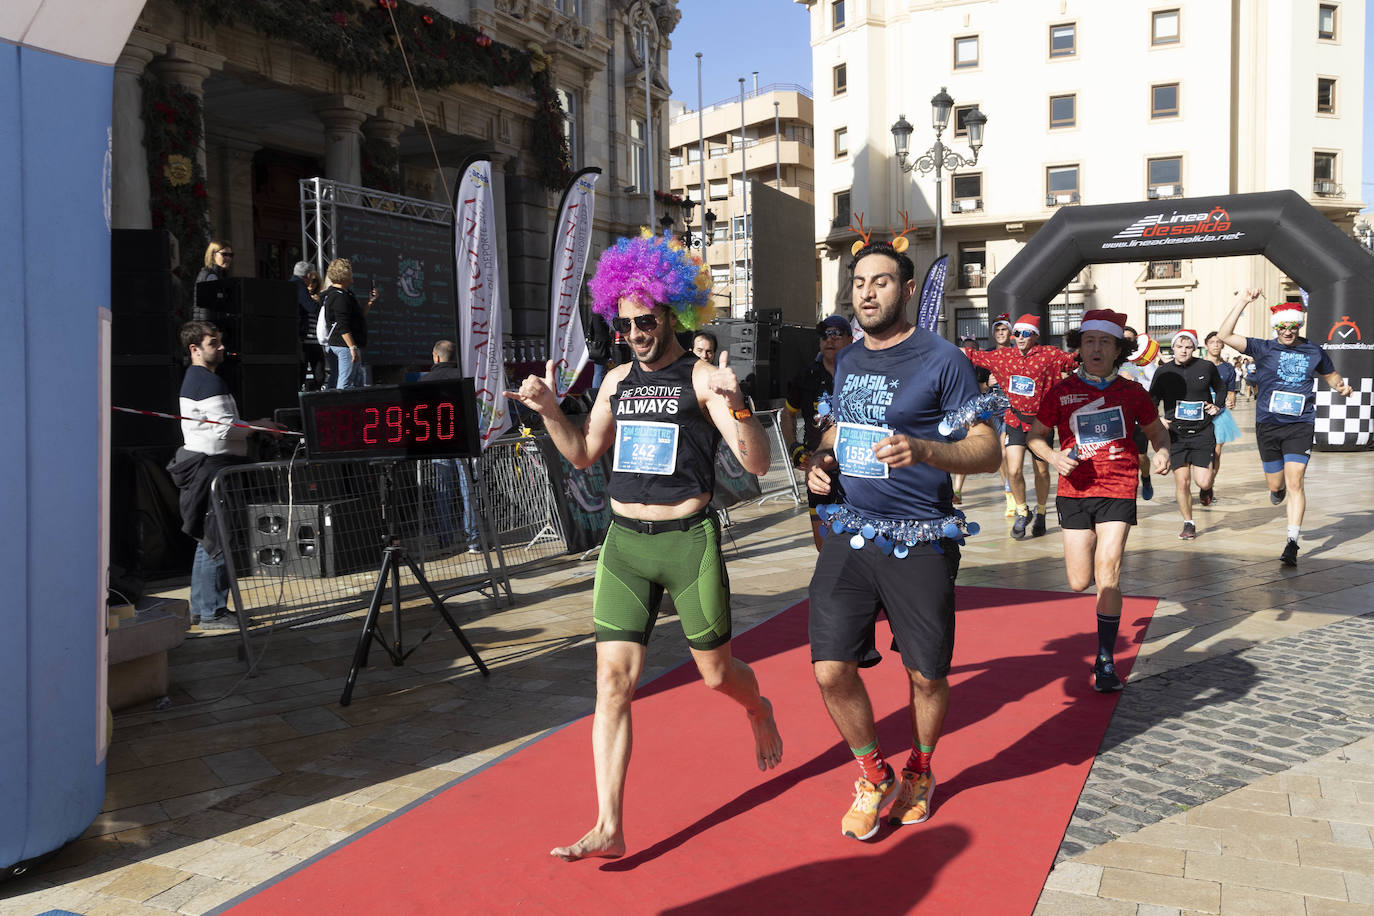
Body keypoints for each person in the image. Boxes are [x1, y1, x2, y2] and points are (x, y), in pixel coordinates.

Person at [505, 230, 783, 862]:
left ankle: (758, 705)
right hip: (625, 544)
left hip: (689, 543)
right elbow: (581, 453)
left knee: (717, 677)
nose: (635, 332)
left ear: (673, 313)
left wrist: (739, 408)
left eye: (646, 320)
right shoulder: (614, 381)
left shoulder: (704, 379)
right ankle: (609, 822)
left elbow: (759, 464)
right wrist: (551, 410)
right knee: (612, 683)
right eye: (625, 323)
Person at [805, 239, 999, 841]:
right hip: (852, 531)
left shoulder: (943, 360)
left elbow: (987, 450)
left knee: (926, 676)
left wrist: (925, 449)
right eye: (859, 282)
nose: (867, 292)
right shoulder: (851, 360)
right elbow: (842, 428)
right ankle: (873, 774)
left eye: (880, 281)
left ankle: (919, 770)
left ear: (907, 289)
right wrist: (821, 460)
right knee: (829, 668)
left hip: (920, 538)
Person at [1028, 310, 1169, 692]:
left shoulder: (1132, 392)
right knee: (1078, 582)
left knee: (1108, 572)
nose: (1095, 348)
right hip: (1073, 490)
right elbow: (1036, 437)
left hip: (1118, 486)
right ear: (1079, 347)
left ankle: (1105, 661)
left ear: (1117, 350)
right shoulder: (1060, 392)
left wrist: (1161, 452)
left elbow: (1157, 432)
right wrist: (1054, 457)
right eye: (1089, 341)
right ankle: (1100, 613)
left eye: (1104, 342)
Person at [1216, 290, 1353, 565]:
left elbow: (1331, 374)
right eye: (1282, 327)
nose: (1288, 331)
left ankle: (1292, 541)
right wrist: (1243, 301)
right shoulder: (1263, 348)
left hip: (1300, 423)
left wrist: (1341, 386)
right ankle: (1275, 491)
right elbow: (1225, 335)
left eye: (1293, 326)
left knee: (1296, 482)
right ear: (1276, 327)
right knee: (1277, 484)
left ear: (1298, 325)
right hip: (1268, 424)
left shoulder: (1313, 350)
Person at [167, 321, 284, 630]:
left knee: (209, 540)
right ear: (195, 349)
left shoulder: (200, 379)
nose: (220, 347)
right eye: (212, 342)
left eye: (219, 341)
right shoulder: (207, 382)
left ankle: (203, 607)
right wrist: (263, 427)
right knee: (217, 540)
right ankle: (212, 612)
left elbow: (222, 423)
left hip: (208, 468)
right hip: (212, 470)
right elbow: (224, 430)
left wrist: (254, 423)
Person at [963, 313, 1078, 538]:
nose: (1021, 337)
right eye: (1017, 333)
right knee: (1013, 469)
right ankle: (1023, 511)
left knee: (1042, 470)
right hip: (1015, 419)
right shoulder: (1003, 356)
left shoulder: (1050, 355)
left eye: (1026, 333)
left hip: (1041, 424)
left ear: (1035, 335)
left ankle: (1042, 512)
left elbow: (1074, 361)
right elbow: (971, 355)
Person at [1148, 330, 1226, 540]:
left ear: (1194, 348)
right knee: (1182, 481)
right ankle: (1188, 523)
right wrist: (1159, 419)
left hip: (1202, 431)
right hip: (1176, 434)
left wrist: (1217, 406)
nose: (1183, 350)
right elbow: (1152, 400)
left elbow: (1220, 388)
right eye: (1179, 346)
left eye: (1188, 347)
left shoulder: (1205, 367)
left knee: (1203, 481)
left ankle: (1206, 490)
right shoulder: (1163, 372)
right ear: (1172, 348)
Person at [785, 315, 854, 548]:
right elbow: (787, 414)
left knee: (859, 540)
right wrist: (793, 447)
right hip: (819, 471)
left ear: (851, 339)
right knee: (824, 545)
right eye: (824, 335)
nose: (829, 340)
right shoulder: (807, 377)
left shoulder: (862, 374)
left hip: (856, 470)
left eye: (836, 334)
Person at [423, 340, 481, 554]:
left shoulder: (425, 381)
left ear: (436, 357)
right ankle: (473, 541)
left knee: (442, 492)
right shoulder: (464, 378)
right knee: (468, 491)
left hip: (439, 443)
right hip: (464, 441)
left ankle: (445, 540)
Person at [319, 258, 377, 389]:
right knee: (345, 383)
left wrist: (370, 302)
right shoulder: (338, 297)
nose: (352, 274)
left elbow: (358, 317)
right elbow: (342, 325)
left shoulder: (345, 294)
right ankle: (340, 407)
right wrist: (352, 347)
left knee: (357, 382)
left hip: (348, 344)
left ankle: (355, 407)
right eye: (350, 271)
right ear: (344, 274)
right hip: (344, 345)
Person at [1119, 327, 1160, 500]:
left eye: (1130, 339)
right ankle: (1125, 488)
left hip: (1139, 414)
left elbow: (1155, 383)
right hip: (1119, 415)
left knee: (1141, 456)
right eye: (1124, 338)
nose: (1127, 342)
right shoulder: (1113, 360)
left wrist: (1134, 380)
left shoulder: (1144, 362)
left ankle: (1146, 477)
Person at [1203, 330, 1242, 500]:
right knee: (1202, 449)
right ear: (1206, 345)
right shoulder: (1199, 364)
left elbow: (1231, 391)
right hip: (1200, 411)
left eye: (1219, 342)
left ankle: (1209, 485)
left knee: (1217, 450)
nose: (1216, 345)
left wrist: (1231, 401)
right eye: (1212, 342)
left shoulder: (1228, 368)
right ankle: (1202, 479)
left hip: (1220, 412)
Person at [291, 260, 326, 391]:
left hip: (313, 341)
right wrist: (316, 303)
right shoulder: (298, 286)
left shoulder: (292, 285)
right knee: (301, 373)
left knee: (318, 375)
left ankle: (308, 396)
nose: (311, 283)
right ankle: (305, 401)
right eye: (311, 278)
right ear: (307, 276)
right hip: (303, 340)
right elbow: (311, 308)